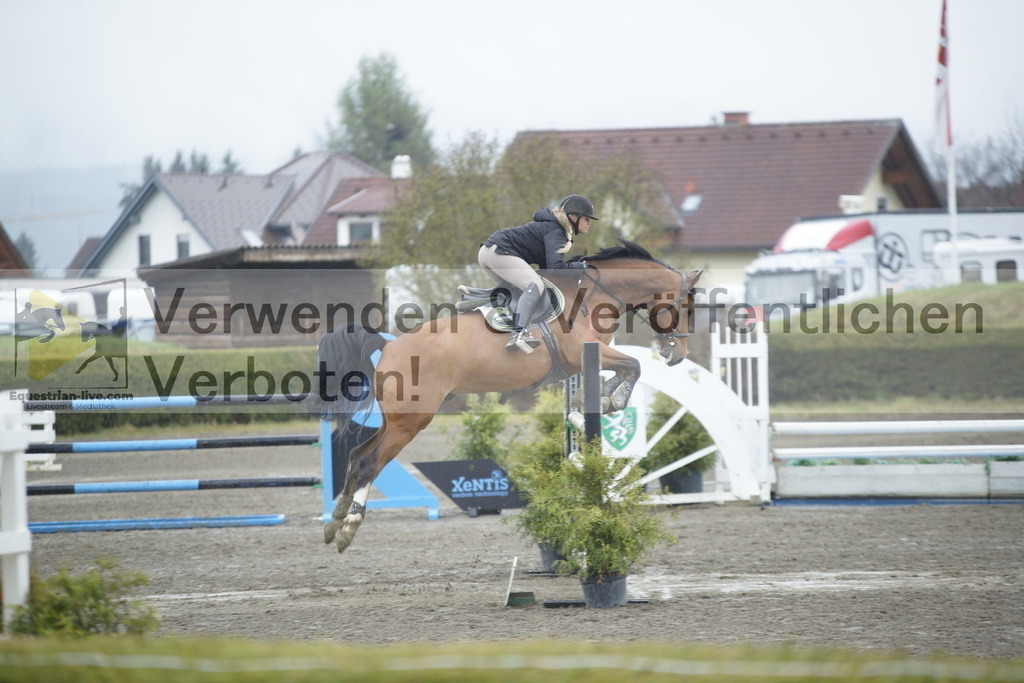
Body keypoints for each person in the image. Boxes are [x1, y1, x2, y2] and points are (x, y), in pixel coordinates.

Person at [478, 194, 597, 353]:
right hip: (499, 251)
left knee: (518, 291)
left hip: (487, 253)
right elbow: (555, 268)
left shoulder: (553, 228)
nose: (589, 223)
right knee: (534, 285)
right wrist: (582, 267)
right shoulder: (557, 231)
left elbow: (547, 270)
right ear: (573, 217)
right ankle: (519, 333)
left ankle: (479, 300)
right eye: (587, 219)